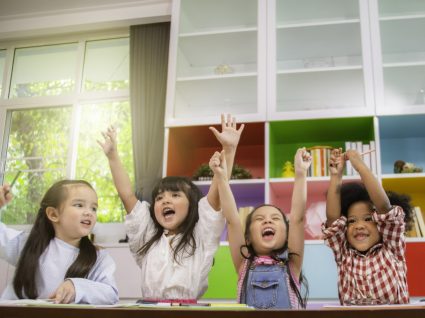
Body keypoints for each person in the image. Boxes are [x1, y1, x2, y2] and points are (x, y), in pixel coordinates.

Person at [98, 114, 244, 302]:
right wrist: (113, 157)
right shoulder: (147, 236)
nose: (165, 201)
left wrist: (229, 150)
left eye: (175, 195)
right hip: (148, 311)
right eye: (159, 198)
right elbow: (127, 195)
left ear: (192, 206)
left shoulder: (201, 236)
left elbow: (217, 195)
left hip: (186, 311)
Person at [210, 148, 311, 309]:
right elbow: (233, 221)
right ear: (248, 238)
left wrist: (300, 173)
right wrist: (221, 177)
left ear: (287, 236)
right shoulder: (244, 264)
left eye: (275, 218)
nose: (267, 221)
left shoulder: (292, 264)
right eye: (260, 219)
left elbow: (297, 219)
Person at [0, 180, 118, 304]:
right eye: (79, 205)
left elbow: (110, 294)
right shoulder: (27, 243)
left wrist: (77, 287)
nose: (89, 212)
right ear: (53, 214)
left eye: (94, 208)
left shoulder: (99, 257)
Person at [323, 148, 411, 305]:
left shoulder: (392, 247)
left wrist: (359, 165)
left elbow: (384, 207)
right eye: (352, 221)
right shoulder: (344, 253)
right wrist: (336, 176)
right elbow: (333, 220)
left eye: (367, 219)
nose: (359, 226)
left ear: (380, 223)